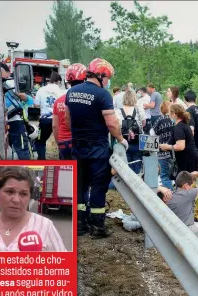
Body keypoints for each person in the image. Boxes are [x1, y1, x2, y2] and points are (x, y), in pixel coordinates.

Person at [65, 58, 125, 238]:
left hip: (78, 148)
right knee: (98, 187)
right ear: (101, 76)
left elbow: (68, 121)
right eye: (108, 79)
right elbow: (112, 123)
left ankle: (80, 224)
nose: (108, 82)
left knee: (80, 187)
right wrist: (121, 139)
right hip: (97, 149)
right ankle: (97, 226)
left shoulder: (71, 92)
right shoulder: (102, 95)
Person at [0, 167, 66, 252]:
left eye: (23, 194)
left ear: (29, 197)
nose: (16, 200)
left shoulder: (45, 226)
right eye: (9, 192)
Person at [53, 63, 87, 160]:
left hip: (63, 142)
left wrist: (58, 142)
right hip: (80, 142)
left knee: (66, 170)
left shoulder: (58, 101)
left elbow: (55, 126)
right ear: (84, 79)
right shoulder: (86, 100)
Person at [2, 63, 34, 160]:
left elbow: (30, 100)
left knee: (22, 150)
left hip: (15, 122)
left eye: (1, 72)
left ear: (8, 73)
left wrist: (23, 97)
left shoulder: (13, 84)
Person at [158, 104, 198, 174]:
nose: (168, 115)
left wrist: (167, 146)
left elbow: (180, 146)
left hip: (187, 160)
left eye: (169, 113)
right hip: (189, 158)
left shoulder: (179, 127)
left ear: (174, 114)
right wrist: (165, 146)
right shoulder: (183, 125)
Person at [33, 71, 64, 160]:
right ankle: (62, 159)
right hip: (57, 120)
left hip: (44, 121)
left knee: (40, 142)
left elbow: (36, 105)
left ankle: (42, 160)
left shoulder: (41, 89)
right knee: (61, 142)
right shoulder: (61, 92)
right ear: (58, 81)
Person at [115, 89, 146, 174]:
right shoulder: (139, 109)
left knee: (126, 163)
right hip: (137, 141)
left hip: (123, 141)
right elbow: (144, 123)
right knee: (138, 162)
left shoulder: (118, 111)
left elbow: (117, 125)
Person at [151, 102, 175, 190]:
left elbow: (152, 134)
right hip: (175, 151)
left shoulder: (159, 120)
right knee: (176, 174)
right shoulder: (174, 120)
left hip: (162, 153)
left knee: (164, 176)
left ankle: (170, 195)